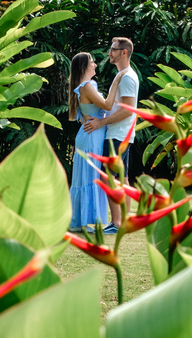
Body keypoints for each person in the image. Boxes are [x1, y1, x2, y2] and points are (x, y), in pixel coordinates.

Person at [83, 37, 139, 230]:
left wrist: (102, 122)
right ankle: (124, 220)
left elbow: (128, 110)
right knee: (122, 178)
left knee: (110, 177)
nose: (110, 53)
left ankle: (116, 223)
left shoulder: (127, 77)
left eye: (114, 49)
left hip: (118, 133)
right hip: (121, 133)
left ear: (124, 52)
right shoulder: (123, 75)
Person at [68, 52, 125, 233]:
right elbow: (107, 106)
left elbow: (81, 116)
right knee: (91, 177)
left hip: (90, 134)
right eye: (91, 62)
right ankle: (84, 221)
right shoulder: (87, 86)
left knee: (88, 177)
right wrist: (116, 82)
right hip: (92, 136)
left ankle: (81, 220)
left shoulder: (83, 87)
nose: (95, 64)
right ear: (84, 67)